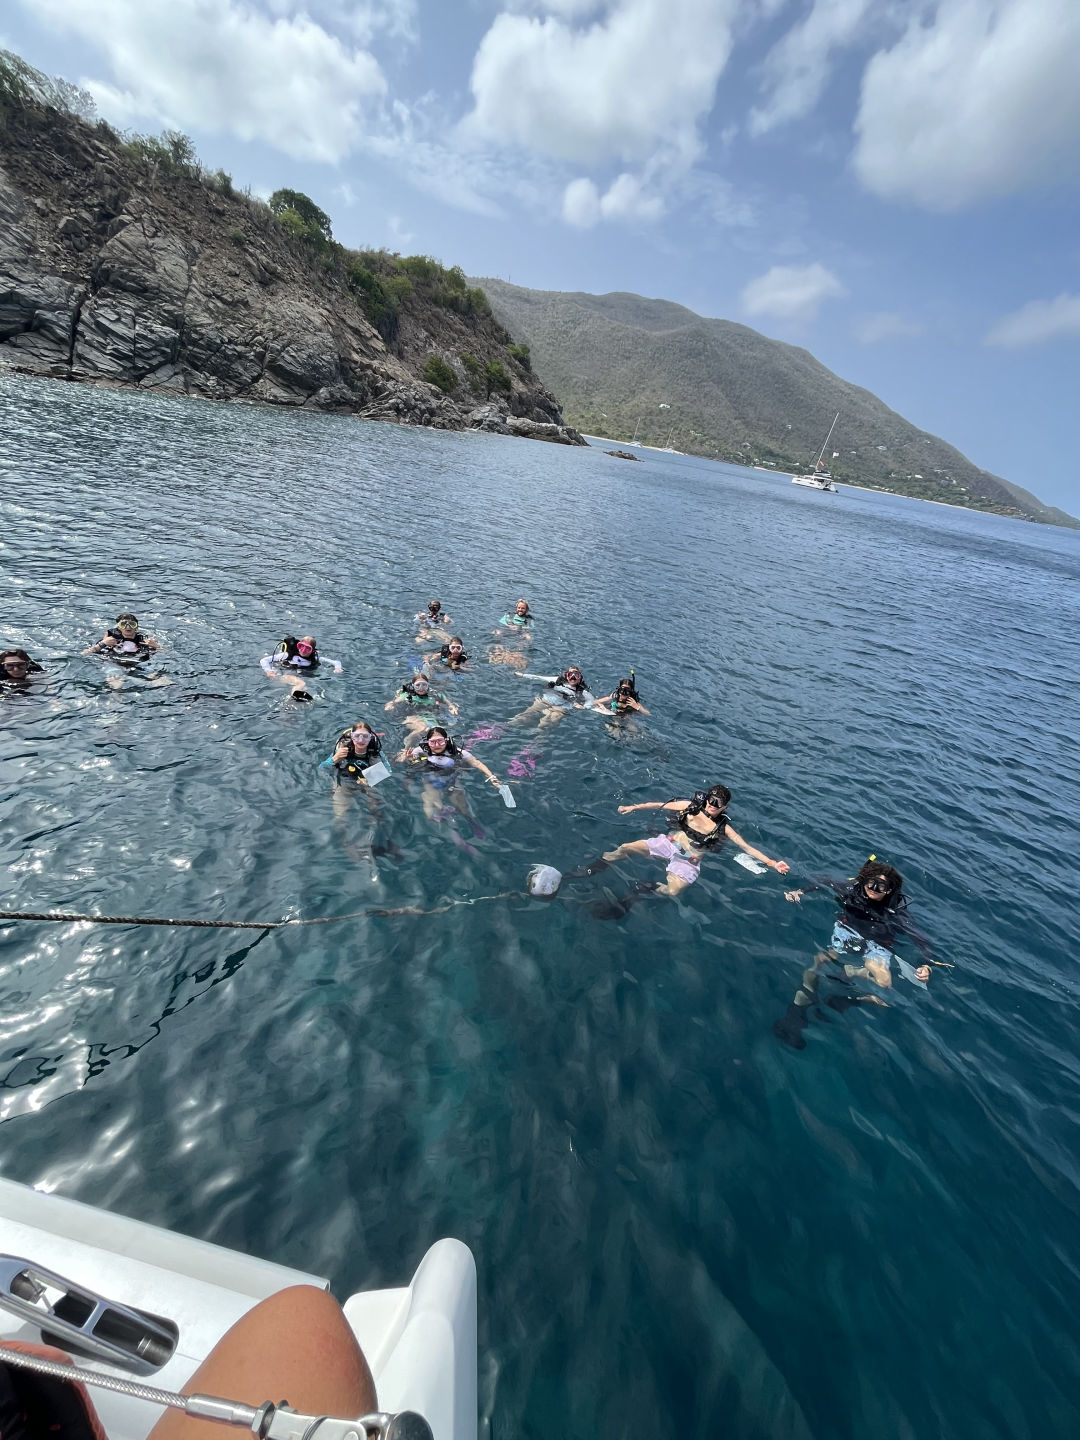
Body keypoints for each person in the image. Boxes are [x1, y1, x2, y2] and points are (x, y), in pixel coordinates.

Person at [774, 860, 933, 1048]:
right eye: (871, 882)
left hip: (879, 943)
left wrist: (926, 965)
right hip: (848, 931)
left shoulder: (897, 915)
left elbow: (922, 942)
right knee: (820, 961)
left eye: (881, 886)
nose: (873, 889)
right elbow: (823, 881)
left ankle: (853, 985)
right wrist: (799, 892)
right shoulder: (851, 891)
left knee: (884, 983)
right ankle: (797, 1011)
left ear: (889, 890)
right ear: (865, 880)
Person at [603, 785, 789, 896]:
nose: (711, 805)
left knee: (673, 891)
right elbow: (660, 805)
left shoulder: (724, 828)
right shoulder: (690, 806)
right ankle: (602, 863)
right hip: (669, 843)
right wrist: (633, 807)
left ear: (725, 807)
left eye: (717, 803)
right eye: (710, 800)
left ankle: (649, 888)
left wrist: (773, 863)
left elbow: (747, 848)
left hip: (690, 859)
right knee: (625, 847)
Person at [398, 725, 501, 822]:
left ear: (446, 740)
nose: (437, 745)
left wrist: (491, 777)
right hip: (430, 779)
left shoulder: (457, 751)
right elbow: (406, 762)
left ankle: (471, 820)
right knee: (432, 804)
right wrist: (409, 759)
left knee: (462, 804)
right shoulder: (420, 750)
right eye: (433, 742)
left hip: (451, 780)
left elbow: (476, 763)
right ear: (428, 742)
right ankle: (436, 824)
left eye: (440, 741)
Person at [510, 665, 595, 728]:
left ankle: (537, 741)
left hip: (560, 708)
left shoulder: (581, 690)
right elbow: (539, 678)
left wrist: (584, 706)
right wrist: (523, 675)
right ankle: (507, 726)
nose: (573, 677)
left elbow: (591, 701)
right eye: (570, 674)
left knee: (545, 724)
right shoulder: (557, 680)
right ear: (566, 675)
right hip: (545, 701)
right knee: (526, 714)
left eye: (576, 675)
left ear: (580, 677)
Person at [260, 634, 342, 699]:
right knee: (301, 683)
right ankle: (293, 698)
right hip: (282, 676)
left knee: (305, 688)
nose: (303, 650)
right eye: (301, 646)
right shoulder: (288, 655)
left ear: (312, 650)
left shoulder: (315, 659)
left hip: (297, 677)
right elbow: (264, 660)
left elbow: (336, 662)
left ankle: (294, 702)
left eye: (307, 648)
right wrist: (268, 671)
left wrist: (338, 668)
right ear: (298, 645)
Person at [384, 671, 458, 736]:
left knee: (441, 731)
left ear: (427, 685)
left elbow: (448, 702)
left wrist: (452, 707)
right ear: (413, 686)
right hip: (412, 716)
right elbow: (393, 702)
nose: (421, 688)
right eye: (418, 685)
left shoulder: (434, 695)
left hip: (429, 716)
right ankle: (409, 746)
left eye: (424, 685)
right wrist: (390, 705)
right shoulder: (407, 695)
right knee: (422, 729)